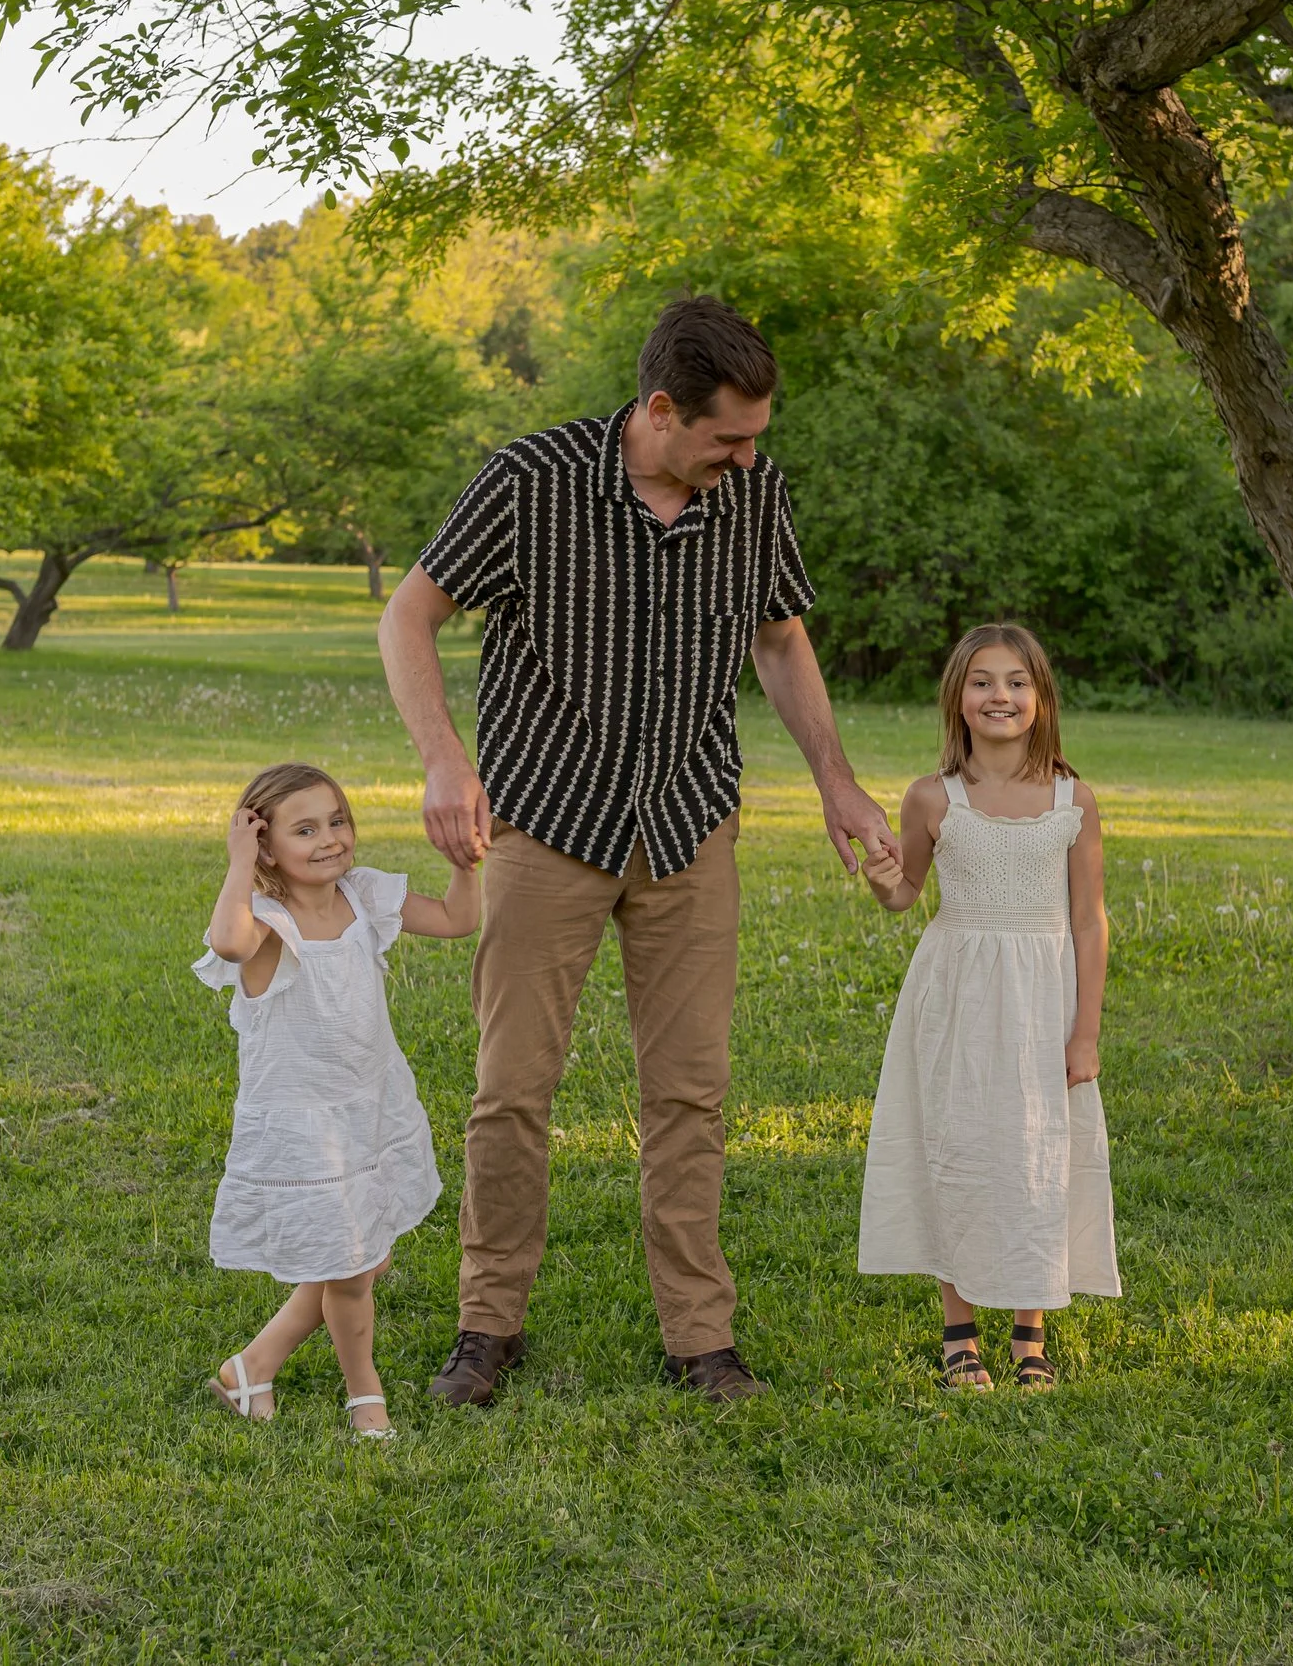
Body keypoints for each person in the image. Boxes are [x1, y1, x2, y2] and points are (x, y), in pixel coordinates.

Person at [378, 295, 894, 1406]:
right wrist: (440, 757)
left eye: (756, 436)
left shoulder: (750, 492)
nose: (749, 456)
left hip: (689, 822)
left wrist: (836, 781)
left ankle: (700, 1337)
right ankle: (486, 1327)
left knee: (690, 1095)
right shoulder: (531, 481)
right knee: (512, 1089)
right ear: (661, 410)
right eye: (728, 436)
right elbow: (406, 614)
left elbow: (778, 634)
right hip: (546, 820)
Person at [855, 623, 1121, 1391]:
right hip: (959, 997)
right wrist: (879, 876)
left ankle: (1030, 1332)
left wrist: (1086, 1031)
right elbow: (903, 893)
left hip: (1045, 998)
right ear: (957, 698)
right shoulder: (933, 797)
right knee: (963, 1147)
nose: (998, 695)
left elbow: (1087, 920)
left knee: (1036, 1153)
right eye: (981, 681)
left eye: (1015, 682)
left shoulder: (1074, 800)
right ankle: (960, 1330)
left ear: (1039, 699)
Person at [194, 762, 480, 1436]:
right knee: (351, 1269)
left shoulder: (365, 894)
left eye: (337, 820)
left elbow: (457, 919)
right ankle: (365, 1393)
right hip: (305, 1124)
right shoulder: (266, 920)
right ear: (265, 845)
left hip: (368, 1105)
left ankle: (250, 1367)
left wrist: (464, 864)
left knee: (358, 1256)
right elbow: (226, 942)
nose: (329, 839)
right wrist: (238, 864)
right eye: (304, 829)